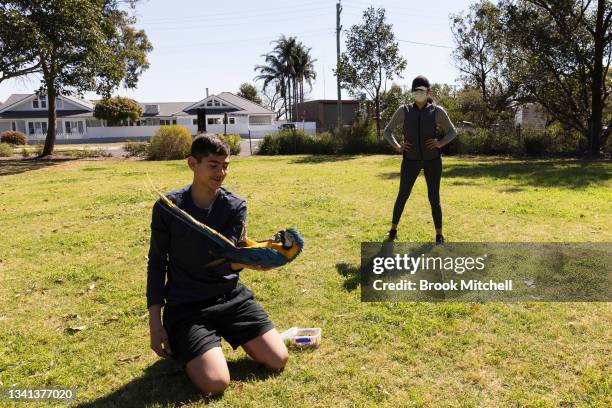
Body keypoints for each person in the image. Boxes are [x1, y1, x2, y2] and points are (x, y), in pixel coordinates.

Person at [146, 134, 288, 396]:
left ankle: (213, 341)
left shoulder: (234, 206)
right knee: (216, 383)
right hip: (187, 306)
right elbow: (157, 264)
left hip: (230, 297)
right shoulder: (168, 207)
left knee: (278, 359)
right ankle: (190, 345)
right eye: (213, 165)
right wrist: (155, 325)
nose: (221, 172)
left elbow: (227, 259)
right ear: (192, 163)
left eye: (225, 165)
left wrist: (250, 261)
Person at [383, 75, 457, 244]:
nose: (419, 93)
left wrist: (440, 143)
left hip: (433, 161)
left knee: (434, 198)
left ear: (428, 91)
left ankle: (439, 235)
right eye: (416, 91)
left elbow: (452, 131)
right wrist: (398, 146)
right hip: (410, 160)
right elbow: (387, 131)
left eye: (422, 90)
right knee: (403, 195)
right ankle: (393, 230)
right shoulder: (404, 110)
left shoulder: (437, 111)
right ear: (412, 92)